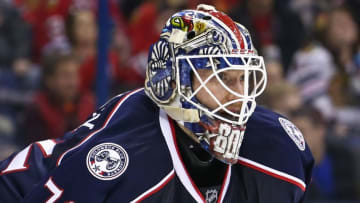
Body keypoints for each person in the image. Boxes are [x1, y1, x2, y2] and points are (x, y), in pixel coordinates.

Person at [0, 5, 313, 202]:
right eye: (223, 78)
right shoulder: (121, 160)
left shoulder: (278, 148)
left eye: (244, 78)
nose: (239, 95)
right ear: (173, 81)